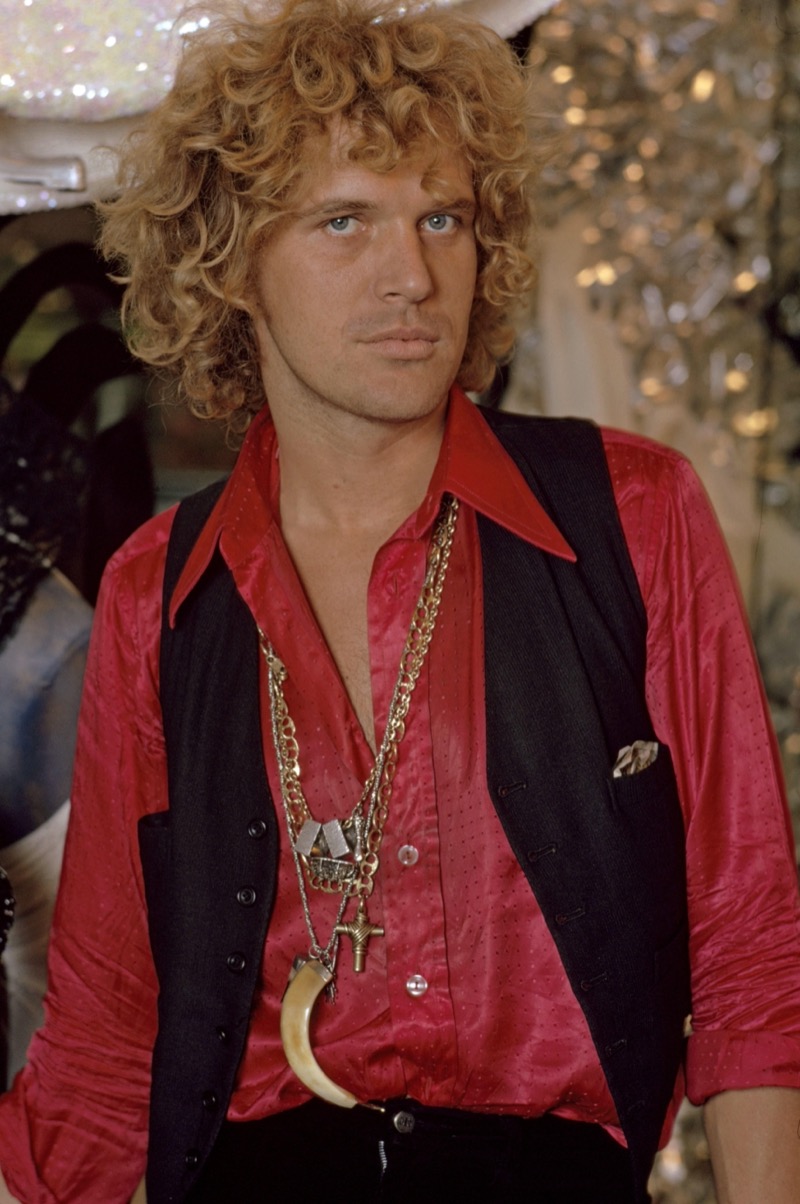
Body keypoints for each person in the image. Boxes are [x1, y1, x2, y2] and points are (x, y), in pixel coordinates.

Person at [1, 0, 799, 1200]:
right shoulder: (153, 588)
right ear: (233, 264)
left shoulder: (633, 512)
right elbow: (108, 1046)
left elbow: (750, 959)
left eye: (441, 218)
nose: (412, 276)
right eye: (343, 221)